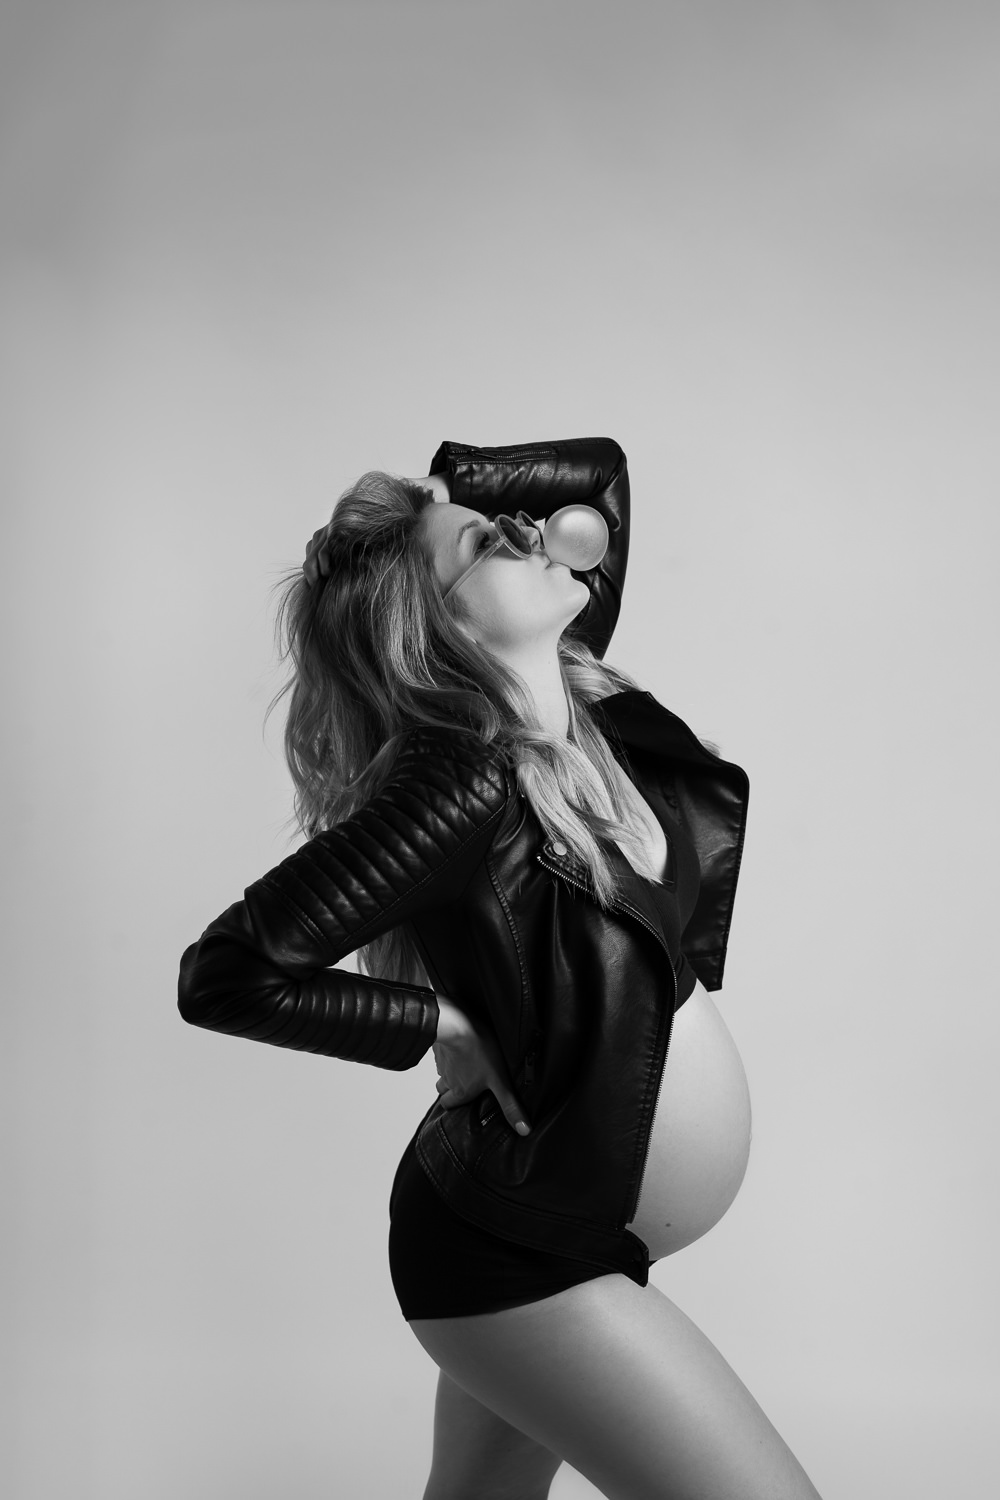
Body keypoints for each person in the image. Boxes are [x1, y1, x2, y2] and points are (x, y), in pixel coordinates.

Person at [178, 437, 822, 1500]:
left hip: (548, 1240)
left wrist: (447, 495)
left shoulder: (574, 711)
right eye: (487, 545)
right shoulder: (458, 780)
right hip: (519, 1260)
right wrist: (437, 1025)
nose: (530, 534)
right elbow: (227, 974)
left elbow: (598, 476)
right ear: (440, 629)